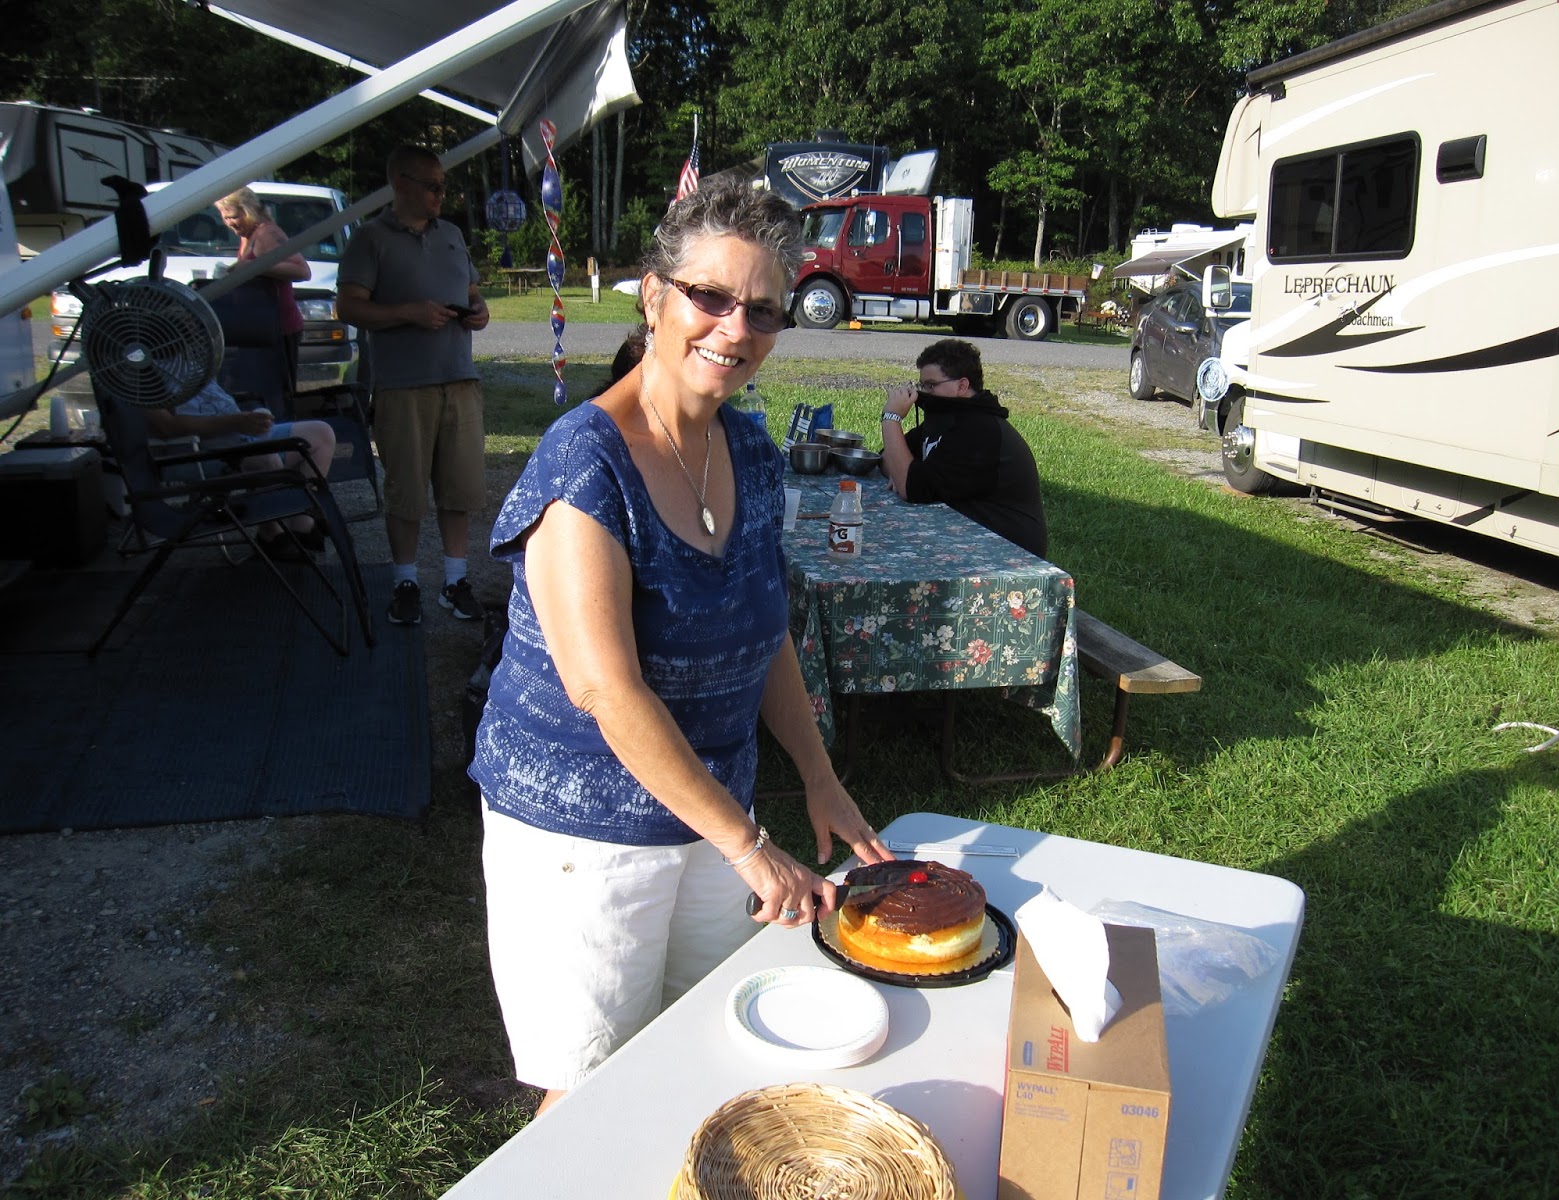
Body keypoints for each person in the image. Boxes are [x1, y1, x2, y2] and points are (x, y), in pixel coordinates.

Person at [469, 177, 892, 1113]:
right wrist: (749, 847)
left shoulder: (748, 447)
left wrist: (817, 775)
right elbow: (604, 689)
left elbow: (763, 622)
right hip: (581, 837)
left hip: (713, 808)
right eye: (711, 297)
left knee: (710, 1043)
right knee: (590, 1090)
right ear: (655, 297)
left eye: (764, 310)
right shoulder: (584, 461)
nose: (735, 330)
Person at [336, 145, 490, 626]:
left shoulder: (451, 234)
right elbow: (349, 308)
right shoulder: (369, 239)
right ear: (401, 183)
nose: (441, 196)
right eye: (432, 186)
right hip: (402, 386)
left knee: (459, 488)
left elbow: (470, 292)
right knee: (406, 493)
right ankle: (405, 581)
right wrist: (409, 313)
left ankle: (454, 579)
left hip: (459, 381)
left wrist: (480, 310)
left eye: (443, 186)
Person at [879, 338, 1049, 558]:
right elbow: (885, 459)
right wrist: (901, 469)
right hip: (967, 536)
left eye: (931, 385)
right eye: (921, 385)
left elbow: (910, 488)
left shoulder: (979, 430)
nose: (923, 393)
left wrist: (891, 419)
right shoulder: (945, 416)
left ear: (962, 385)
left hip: (1007, 552)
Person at [144, 379, 337, 560]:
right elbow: (165, 426)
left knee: (321, 434)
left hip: (238, 435)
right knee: (264, 459)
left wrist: (251, 421)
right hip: (193, 451)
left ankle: (303, 525)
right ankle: (271, 535)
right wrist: (236, 422)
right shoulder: (137, 363)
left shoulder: (194, 354)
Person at [215, 187, 310, 394]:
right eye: (225, 218)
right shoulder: (247, 235)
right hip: (257, 329)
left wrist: (254, 266)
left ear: (248, 211)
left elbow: (302, 270)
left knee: (276, 393)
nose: (230, 223)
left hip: (279, 329)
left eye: (233, 217)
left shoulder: (268, 232)